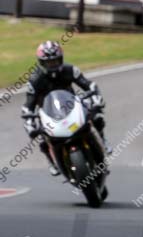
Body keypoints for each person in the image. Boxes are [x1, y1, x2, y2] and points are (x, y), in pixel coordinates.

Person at [21, 41, 111, 176]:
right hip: (48, 113)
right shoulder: (35, 80)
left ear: (61, 59)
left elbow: (89, 85)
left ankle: (103, 141)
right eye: (49, 62)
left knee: (96, 116)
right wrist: (29, 121)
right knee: (39, 135)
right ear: (41, 63)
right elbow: (29, 104)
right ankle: (51, 161)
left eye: (56, 61)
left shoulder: (70, 70)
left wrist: (96, 98)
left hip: (73, 107)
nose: (53, 65)